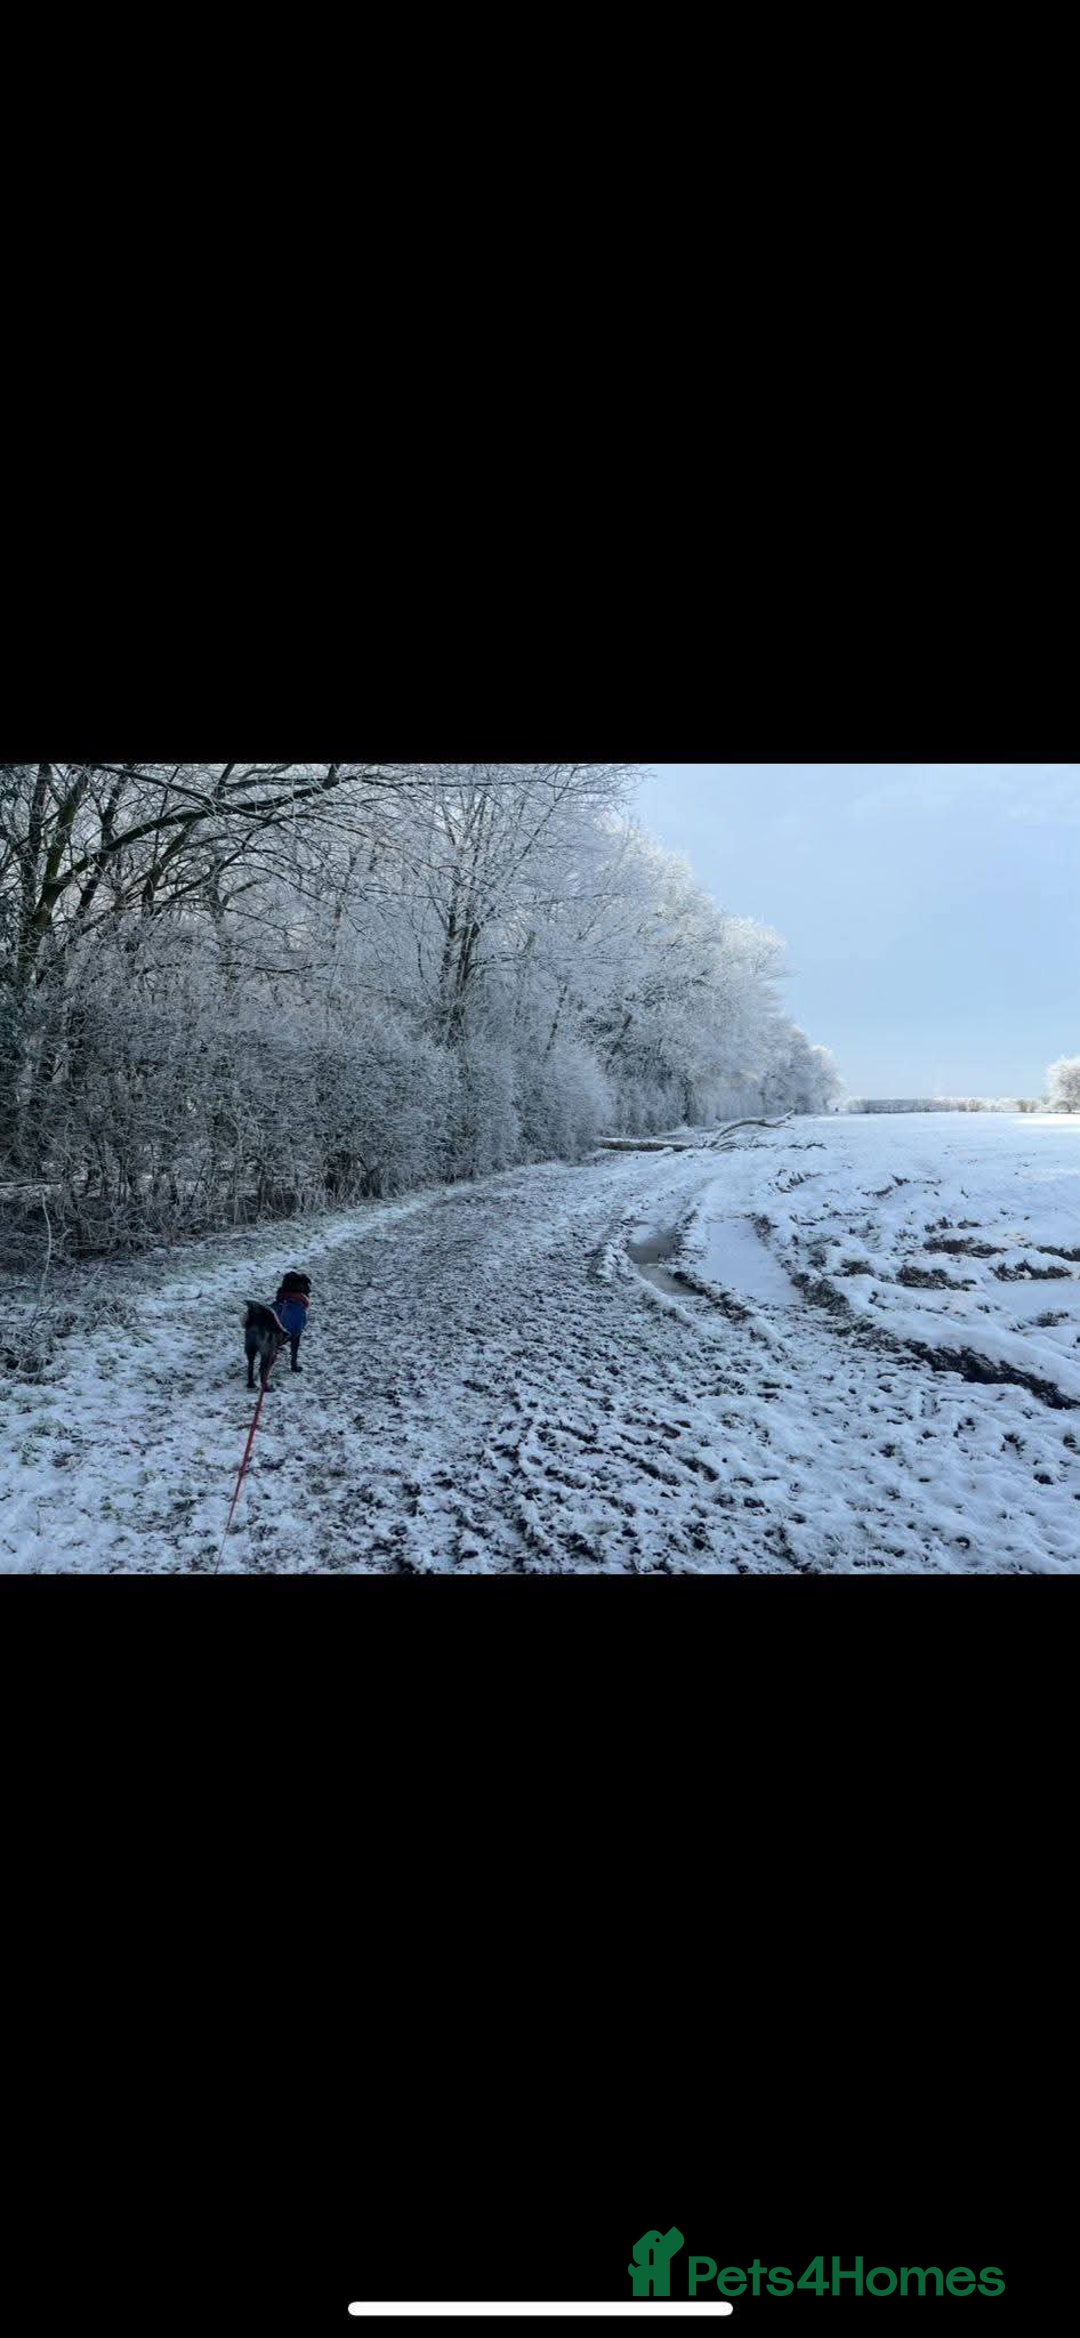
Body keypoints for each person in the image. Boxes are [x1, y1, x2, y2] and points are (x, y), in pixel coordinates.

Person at [274, 1271, 311, 1373]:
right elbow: (295, 1333)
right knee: (295, 1335)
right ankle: (293, 1364)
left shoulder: (278, 1304)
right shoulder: (297, 1310)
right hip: (278, 1333)